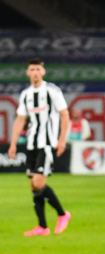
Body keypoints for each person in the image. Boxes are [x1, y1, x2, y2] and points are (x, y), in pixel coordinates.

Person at [8, 58, 71, 236]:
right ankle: (42, 227)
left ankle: (62, 214)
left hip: (47, 142)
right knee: (34, 186)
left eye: (38, 69)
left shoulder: (52, 91)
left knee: (38, 182)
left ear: (43, 72)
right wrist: (13, 143)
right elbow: (20, 119)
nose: (35, 72)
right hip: (31, 143)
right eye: (32, 69)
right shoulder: (26, 94)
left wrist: (61, 139)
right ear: (28, 73)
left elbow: (64, 115)